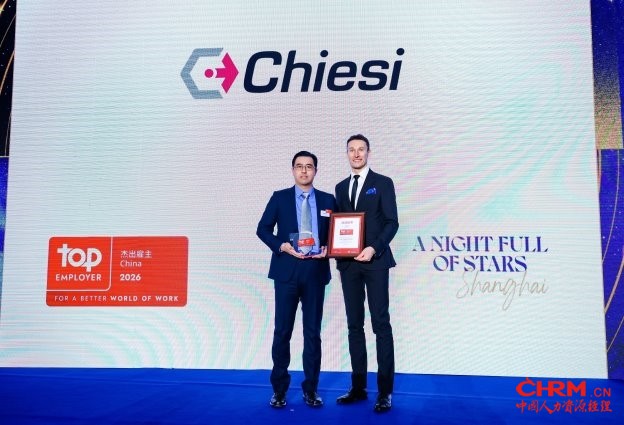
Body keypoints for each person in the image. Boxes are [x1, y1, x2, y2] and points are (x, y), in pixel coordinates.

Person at [257, 150, 337, 408]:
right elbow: (262, 229)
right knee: (282, 331)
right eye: (299, 166)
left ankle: (310, 390)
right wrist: (281, 246)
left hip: (315, 272)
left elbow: (337, 233)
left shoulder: (328, 200)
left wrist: (329, 248)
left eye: (309, 166)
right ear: (293, 170)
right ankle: (279, 390)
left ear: (316, 171)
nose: (304, 171)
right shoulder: (279, 198)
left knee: (313, 333)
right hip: (286, 274)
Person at [334, 134, 399, 413]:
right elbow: (340, 225)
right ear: (347, 154)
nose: (356, 154)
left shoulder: (383, 183)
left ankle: (384, 392)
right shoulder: (340, 187)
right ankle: (358, 387)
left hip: (376, 262)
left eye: (361, 149)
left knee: (380, 324)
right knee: (354, 326)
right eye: (352, 150)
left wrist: (374, 248)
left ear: (368, 152)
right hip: (349, 265)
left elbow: (392, 222)